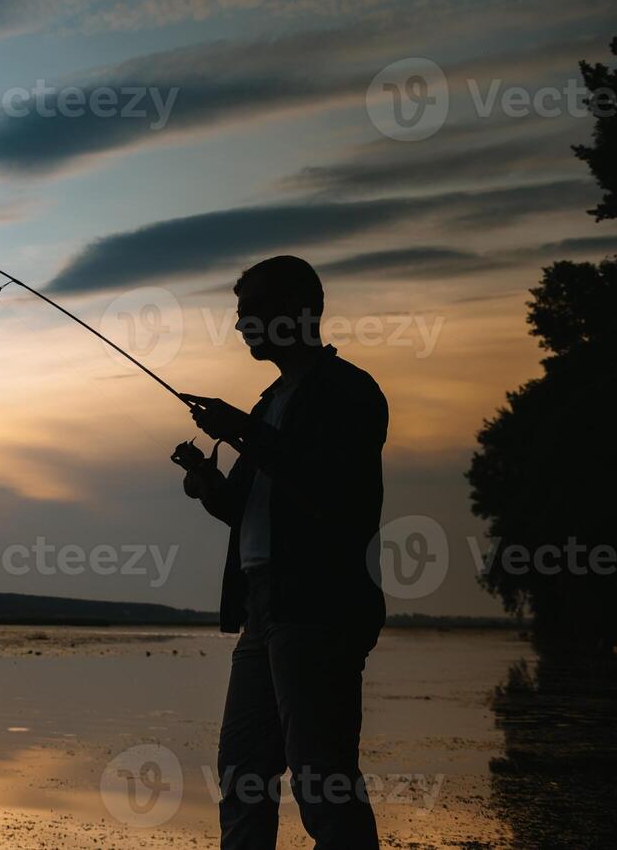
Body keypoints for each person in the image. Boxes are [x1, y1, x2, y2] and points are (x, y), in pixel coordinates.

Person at [171, 255, 387, 850]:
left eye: (253, 311)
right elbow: (243, 510)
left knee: (323, 779)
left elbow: (325, 487)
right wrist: (207, 482)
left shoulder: (349, 391)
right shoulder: (270, 403)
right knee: (243, 773)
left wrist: (241, 429)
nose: (242, 324)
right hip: (262, 612)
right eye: (241, 313)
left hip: (318, 608)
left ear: (299, 313)